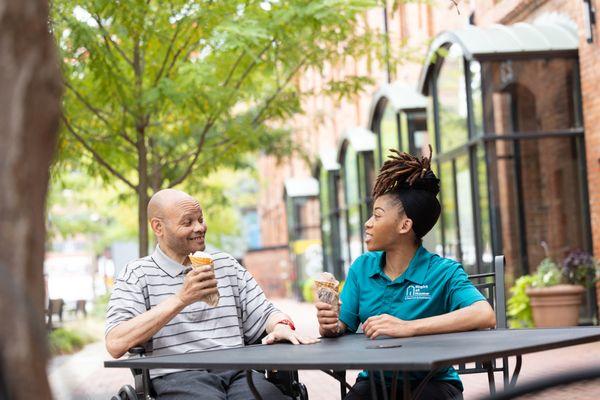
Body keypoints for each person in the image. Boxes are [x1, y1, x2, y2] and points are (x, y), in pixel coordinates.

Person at [315, 147, 496, 400]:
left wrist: (408, 327)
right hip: (375, 382)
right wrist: (330, 324)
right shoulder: (362, 268)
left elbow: (484, 314)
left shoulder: (443, 271)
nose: (368, 223)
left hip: (433, 383)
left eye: (377, 215)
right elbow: (342, 326)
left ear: (405, 225)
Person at [106, 189, 318, 400]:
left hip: (239, 373)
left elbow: (265, 313)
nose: (199, 228)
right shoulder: (136, 274)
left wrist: (279, 325)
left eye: (200, 219)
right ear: (158, 227)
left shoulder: (225, 264)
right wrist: (181, 299)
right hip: (178, 376)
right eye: (187, 222)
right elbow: (115, 343)